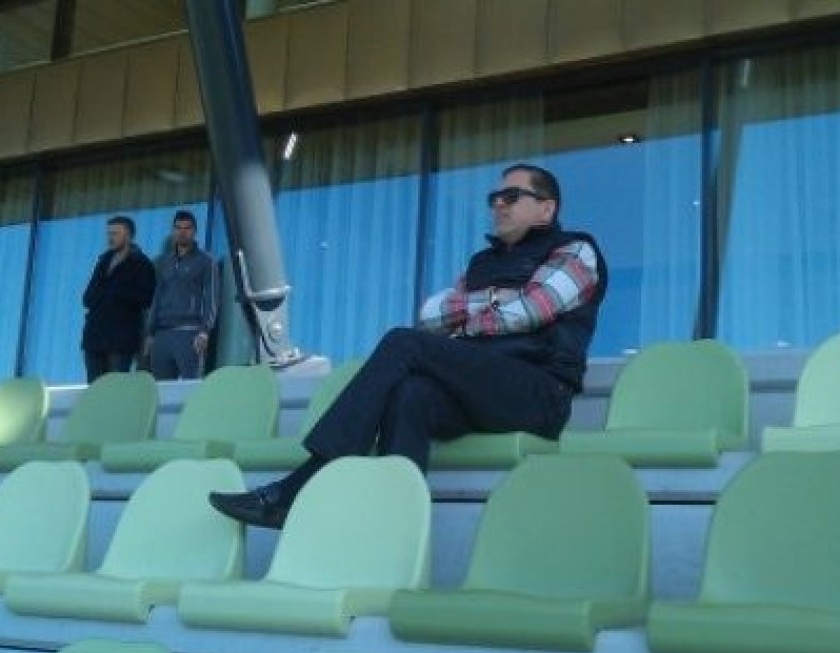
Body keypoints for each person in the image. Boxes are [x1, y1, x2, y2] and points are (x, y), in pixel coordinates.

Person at [210, 164, 607, 529]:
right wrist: (490, 300)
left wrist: (467, 313)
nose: (498, 205)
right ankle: (393, 527)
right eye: (494, 198)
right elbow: (431, 315)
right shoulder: (482, 263)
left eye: (511, 196)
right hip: (482, 387)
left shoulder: (575, 251)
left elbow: (529, 311)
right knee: (410, 393)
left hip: (538, 391)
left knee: (404, 343)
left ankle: (302, 484)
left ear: (546, 209)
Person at [81, 215, 156, 383]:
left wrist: (117, 294)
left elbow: (146, 298)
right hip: (94, 337)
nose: (110, 238)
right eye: (109, 233)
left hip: (120, 340)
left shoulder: (141, 264)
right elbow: (87, 298)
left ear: (128, 236)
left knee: (115, 387)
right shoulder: (103, 261)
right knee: (94, 388)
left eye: (115, 233)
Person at [145, 210, 218, 380]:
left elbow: (212, 298)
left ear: (194, 231)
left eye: (187, 228)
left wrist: (205, 331)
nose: (182, 232)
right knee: (161, 388)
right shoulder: (162, 262)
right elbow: (155, 298)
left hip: (190, 334)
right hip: (162, 334)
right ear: (173, 231)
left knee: (191, 387)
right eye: (178, 228)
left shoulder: (206, 262)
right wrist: (150, 332)